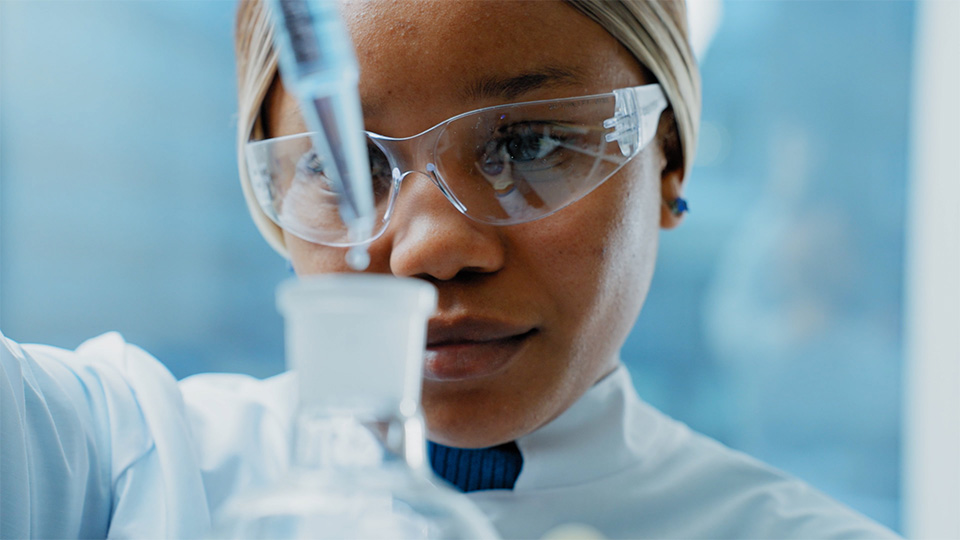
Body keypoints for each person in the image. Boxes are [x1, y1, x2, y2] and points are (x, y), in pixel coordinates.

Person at [0, 1, 900, 538]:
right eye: (340, 163)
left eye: (532, 142)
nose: (431, 250)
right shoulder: (125, 463)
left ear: (669, 163)